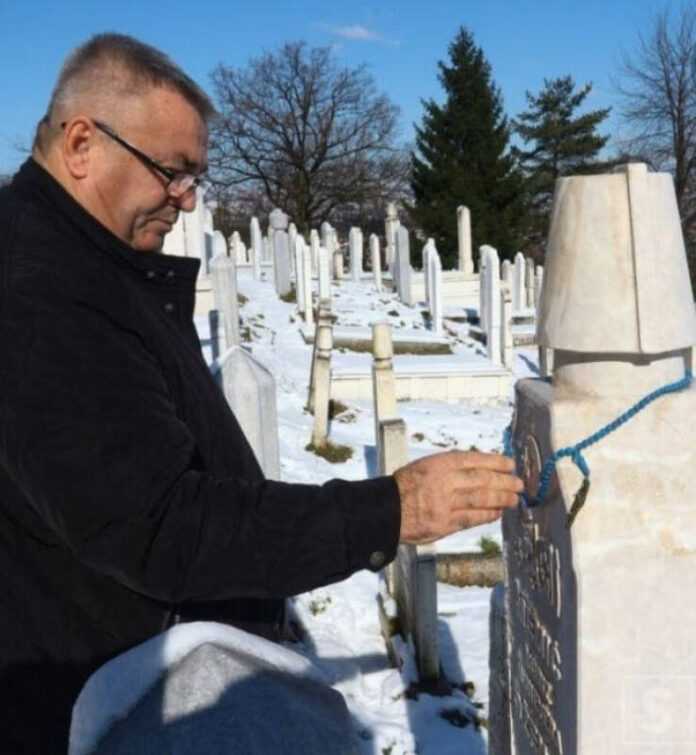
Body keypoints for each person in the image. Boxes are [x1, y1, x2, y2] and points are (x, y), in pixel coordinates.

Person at [0, 33, 522, 753]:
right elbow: (160, 527)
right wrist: (391, 509)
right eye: (171, 172)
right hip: (113, 704)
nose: (187, 199)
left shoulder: (85, 263)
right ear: (82, 144)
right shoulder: (40, 292)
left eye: (196, 177)